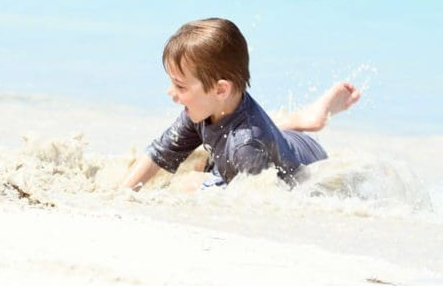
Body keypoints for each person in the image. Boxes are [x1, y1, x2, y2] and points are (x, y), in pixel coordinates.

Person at [121, 18, 361, 190]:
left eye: (181, 86)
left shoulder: (246, 146)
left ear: (220, 89)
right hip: (267, 138)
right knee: (213, 160)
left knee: (198, 178)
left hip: (307, 157)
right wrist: (122, 195)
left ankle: (303, 121)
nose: (170, 93)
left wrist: (195, 187)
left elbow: (249, 197)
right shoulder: (201, 110)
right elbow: (159, 153)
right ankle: (300, 120)